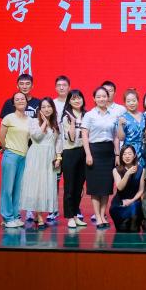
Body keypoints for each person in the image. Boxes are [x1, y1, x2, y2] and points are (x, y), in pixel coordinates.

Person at [82, 86, 118, 229]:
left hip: (108, 152)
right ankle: (97, 216)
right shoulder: (89, 115)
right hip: (94, 151)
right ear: (94, 99)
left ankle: (103, 215)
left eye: (104, 96)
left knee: (106, 187)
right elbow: (85, 135)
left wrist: (117, 154)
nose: (102, 99)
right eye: (98, 97)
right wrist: (88, 154)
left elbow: (116, 136)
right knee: (95, 187)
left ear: (108, 97)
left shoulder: (113, 115)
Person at [21, 96, 61, 227]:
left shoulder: (56, 123)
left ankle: (41, 214)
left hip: (50, 157)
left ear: (53, 108)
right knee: (37, 185)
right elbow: (36, 137)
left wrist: (58, 157)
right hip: (36, 156)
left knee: (46, 185)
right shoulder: (33, 121)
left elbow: (58, 142)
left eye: (49, 106)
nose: (46, 109)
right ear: (39, 109)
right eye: (43, 107)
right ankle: (38, 216)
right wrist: (44, 122)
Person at [59, 89, 88, 228]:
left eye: (79, 98)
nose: (77, 101)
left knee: (79, 187)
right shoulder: (66, 117)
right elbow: (71, 138)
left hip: (84, 152)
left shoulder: (87, 115)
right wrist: (73, 123)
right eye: (73, 98)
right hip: (70, 152)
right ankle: (70, 216)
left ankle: (75, 214)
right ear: (69, 101)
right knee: (69, 187)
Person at [110, 145, 144, 232]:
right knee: (122, 229)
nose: (127, 156)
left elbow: (141, 190)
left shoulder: (141, 170)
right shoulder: (116, 170)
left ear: (134, 155)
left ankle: (135, 221)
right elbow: (120, 188)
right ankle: (125, 220)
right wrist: (127, 174)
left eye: (129, 154)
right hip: (120, 202)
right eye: (124, 154)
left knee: (134, 228)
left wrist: (131, 201)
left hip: (134, 201)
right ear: (121, 156)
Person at [117, 89, 146, 163]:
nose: (131, 103)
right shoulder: (123, 118)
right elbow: (121, 138)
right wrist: (120, 125)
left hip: (144, 150)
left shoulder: (144, 116)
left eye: (134, 100)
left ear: (138, 101)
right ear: (125, 103)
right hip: (129, 151)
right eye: (128, 101)